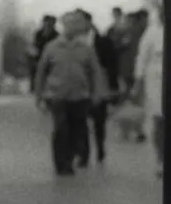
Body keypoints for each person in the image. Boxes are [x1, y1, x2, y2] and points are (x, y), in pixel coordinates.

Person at [34, 10, 102, 176]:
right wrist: (39, 96)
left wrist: (96, 93)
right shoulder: (51, 47)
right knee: (61, 128)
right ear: (64, 25)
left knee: (76, 130)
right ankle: (61, 163)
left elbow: (95, 71)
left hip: (79, 96)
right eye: (71, 23)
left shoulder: (86, 49)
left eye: (77, 23)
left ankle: (70, 159)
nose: (75, 26)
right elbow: (41, 72)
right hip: (56, 95)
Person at [75, 9, 118, 164]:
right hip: (79, 86)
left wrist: (113, 87)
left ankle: (100, 147)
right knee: (80, 120)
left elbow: (112, 64)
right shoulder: (72, 42)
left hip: (99, 85)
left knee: (99, 120)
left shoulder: (103, 41)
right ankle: (83, 153)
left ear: (89, 22)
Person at [133, 0, 164, 175]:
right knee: (159, 120)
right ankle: (160, 158)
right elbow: (141, 58)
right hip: (156, 83)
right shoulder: (152, 32)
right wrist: (137, 82)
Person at [29, 14, 58, 92]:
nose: (48, 25)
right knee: (35, 68)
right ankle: (35, 88)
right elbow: (34, 45)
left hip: (52, 59)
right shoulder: (38, 34)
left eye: (50, 23)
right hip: (39, 57)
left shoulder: (56, 35)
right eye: (46, 23)